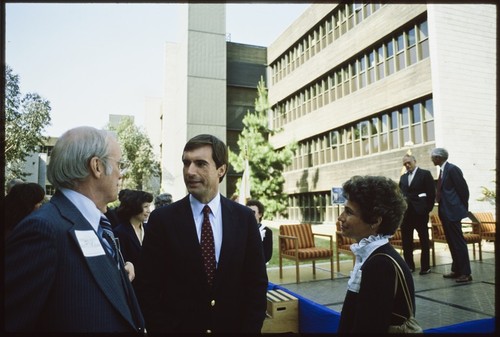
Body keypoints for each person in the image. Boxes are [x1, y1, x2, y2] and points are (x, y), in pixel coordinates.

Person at [4, 126, 145, 333]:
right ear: (97, 166)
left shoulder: (99, 224)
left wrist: (116, 275)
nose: (121, 174)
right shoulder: (42, 229)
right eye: (119, 164)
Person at [135, 134, 268, 333]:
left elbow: (256, 284)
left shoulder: (244, 218)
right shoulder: (162, 220)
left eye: (200, 163)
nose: (190, 171)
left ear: (221, 170)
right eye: (186, 163)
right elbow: (148, 288)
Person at [337, 175, 414, 333]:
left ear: (375, 221)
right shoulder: (374, 256)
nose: (340, 218)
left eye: (349, 212)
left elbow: (369, 328)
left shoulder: (380, 265)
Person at [431, 147, 472, 283]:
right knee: (452, 242)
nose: (431, 159)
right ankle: (457, 270)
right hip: (445, 212)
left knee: (458, 243)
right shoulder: (443, 171)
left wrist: (461, 209)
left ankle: (466, 273)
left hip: (453, 212)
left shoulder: (452, 169)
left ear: (439, 157)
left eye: (433, 157)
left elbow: (463, 190)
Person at [398, 154, 436, 275]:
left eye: (409, 162)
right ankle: (409, 266)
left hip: (420, 213)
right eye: (405, 164)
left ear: (414, 161)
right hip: (406, 215)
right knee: (406, 241)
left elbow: (431, 194)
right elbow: (400, 195)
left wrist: (427, 209)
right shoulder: (403, 178)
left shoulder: (425, 174)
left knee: (424, 240)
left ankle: (425, 267)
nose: (407, 165)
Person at [114, 190, 153, 281]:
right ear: (135, 207)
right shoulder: (120, 232)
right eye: (145, 207)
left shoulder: (149, 229)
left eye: (149, 206)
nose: (149, 211)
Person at [246, 199, 273, 263]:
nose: (249, 215)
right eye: (247, 212)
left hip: (259, 266)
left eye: (252, 212)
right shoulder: (241, 230)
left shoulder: (267, 232)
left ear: (260, 214)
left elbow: (267, 255)